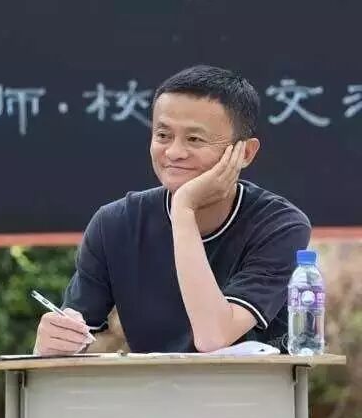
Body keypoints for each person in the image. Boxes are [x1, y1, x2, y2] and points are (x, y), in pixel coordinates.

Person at [33, 65, 311, 356]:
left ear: (245, 153)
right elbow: (73, 334)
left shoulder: (280, 226)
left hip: (254, 384)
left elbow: (213, 337)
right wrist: (52, 341)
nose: (174, 152)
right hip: (153, 383)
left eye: (195, 139)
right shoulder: (114, 224)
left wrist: (183, 208)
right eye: (163, 135)